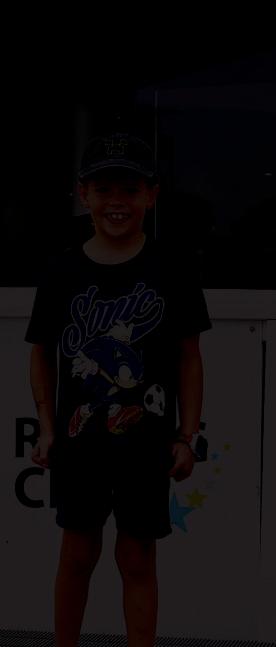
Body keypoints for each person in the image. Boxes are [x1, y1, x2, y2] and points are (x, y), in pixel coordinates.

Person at [26, 132, 212, 647]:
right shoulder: (62, 270)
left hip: (147, 445)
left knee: (137, 557)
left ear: (151, 195)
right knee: (77, 554)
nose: (117, 202)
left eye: (129, 190)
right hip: (79, 443)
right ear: (83, 194)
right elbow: (40, 353)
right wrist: (47, 427)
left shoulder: (172, 267)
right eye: (104, 189)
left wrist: (187, 436)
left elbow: (190, 358)